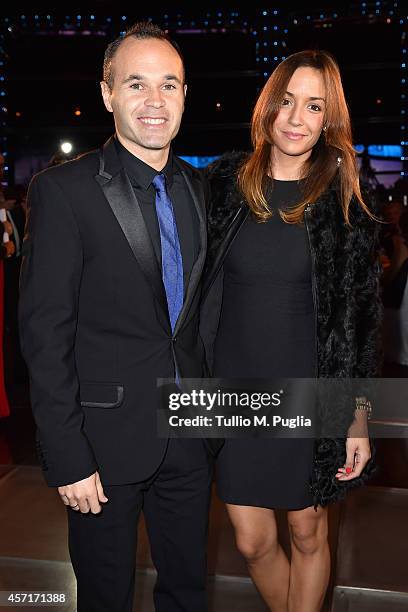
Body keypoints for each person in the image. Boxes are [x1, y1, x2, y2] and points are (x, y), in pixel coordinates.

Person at [19, 22, 215, 612]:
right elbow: (44, 332)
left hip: (191, 434)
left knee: (187, 592)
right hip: (101, 449)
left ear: (185, 94)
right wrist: (67, 455)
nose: (155, 101)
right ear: (107, 94)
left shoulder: (202, 189)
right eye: (136, 84)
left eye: (169, 85)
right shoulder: (63, 191)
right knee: (105, 596)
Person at [200, 50, 382, 612]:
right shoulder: (223, 185)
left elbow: (359, 320)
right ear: (268, 106)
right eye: (286, 101)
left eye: (313, 106)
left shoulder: (344, 198)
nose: (296, 117)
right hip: (232, 391)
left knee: (307, 534)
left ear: (329, 119)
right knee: (252, 542)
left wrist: (356, 419)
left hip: (309, 392)